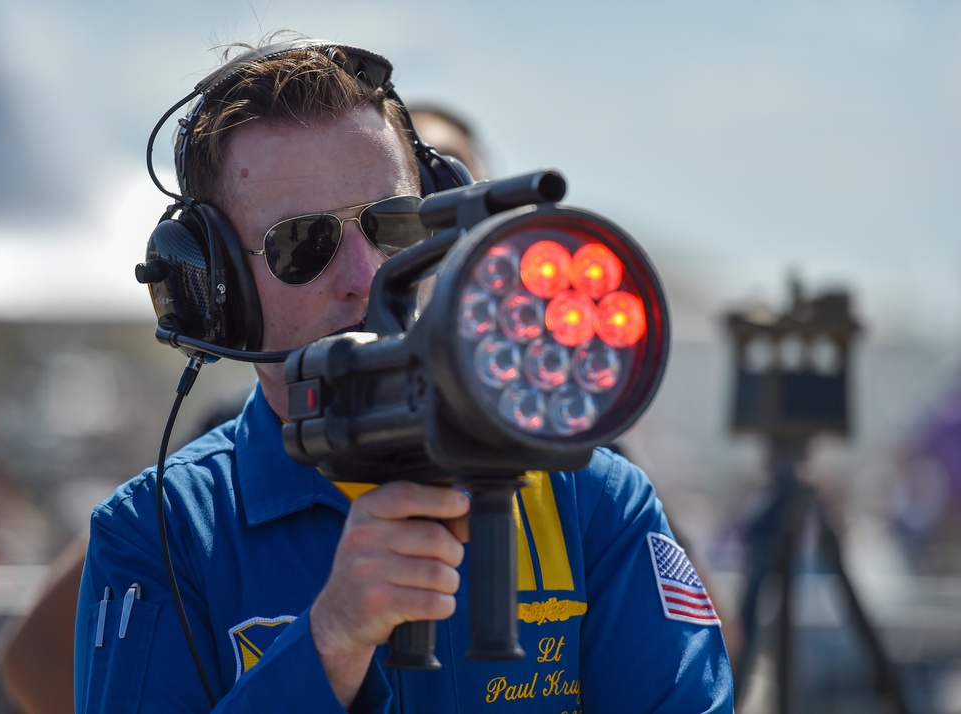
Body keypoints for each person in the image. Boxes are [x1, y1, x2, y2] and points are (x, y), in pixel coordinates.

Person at [73, 34, 734, 712]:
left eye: (393, 225)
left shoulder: (595, 499)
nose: (367, 276)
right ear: (218, 290)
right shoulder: (158, 533)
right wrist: (328, 646)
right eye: (303, 244)